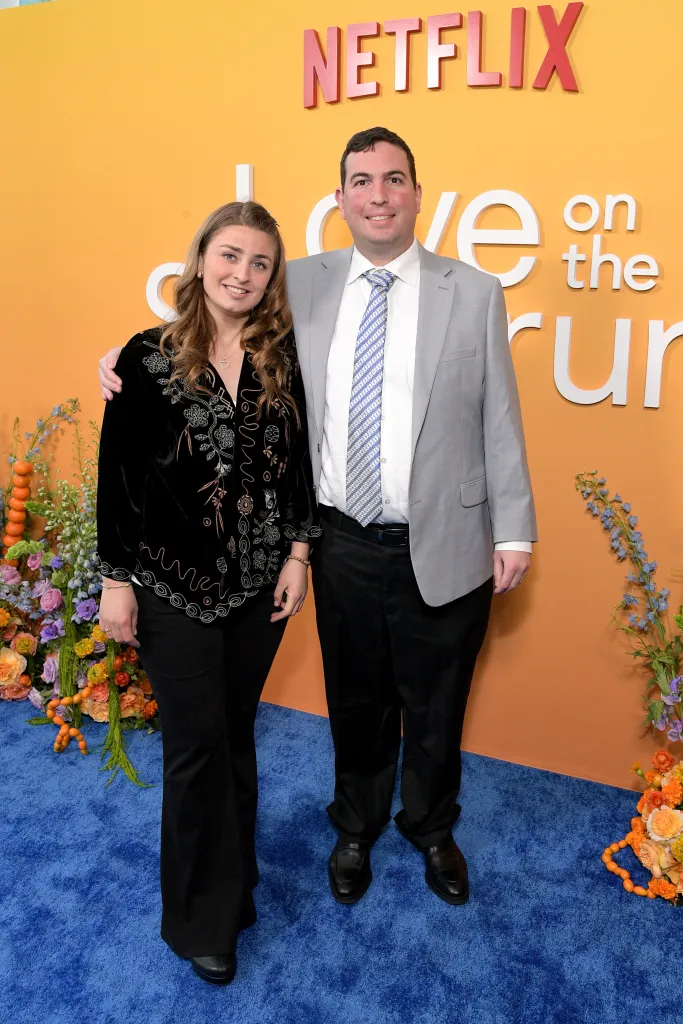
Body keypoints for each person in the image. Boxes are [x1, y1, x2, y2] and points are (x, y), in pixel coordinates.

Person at [99, 127, 536, 911]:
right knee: (356, 697)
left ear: (415, 193)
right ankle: (356, 825)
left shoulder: (472, 290)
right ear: (339, 200)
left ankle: (432, 826)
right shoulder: (295, 282)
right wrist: (120, 359)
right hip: (336, 539)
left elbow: (498, 416)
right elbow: (208, 322)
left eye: (393, 179)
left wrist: (513, 528)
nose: (378, 194)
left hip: (446, 537)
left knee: (438, 702)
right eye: (361, 181)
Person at [96, 201, 320, 985]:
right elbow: (117, 481)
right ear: (199, 260)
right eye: (230, 256)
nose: (242, 274)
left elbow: (300, 469)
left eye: (259, 263)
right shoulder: (145, 356)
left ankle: (233, 885)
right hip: (170, 590)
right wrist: (114, 582)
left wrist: (298, 556)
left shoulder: (282, 358)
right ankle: (199, 919)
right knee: (196, 752)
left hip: (261, 587)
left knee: (235, 736)